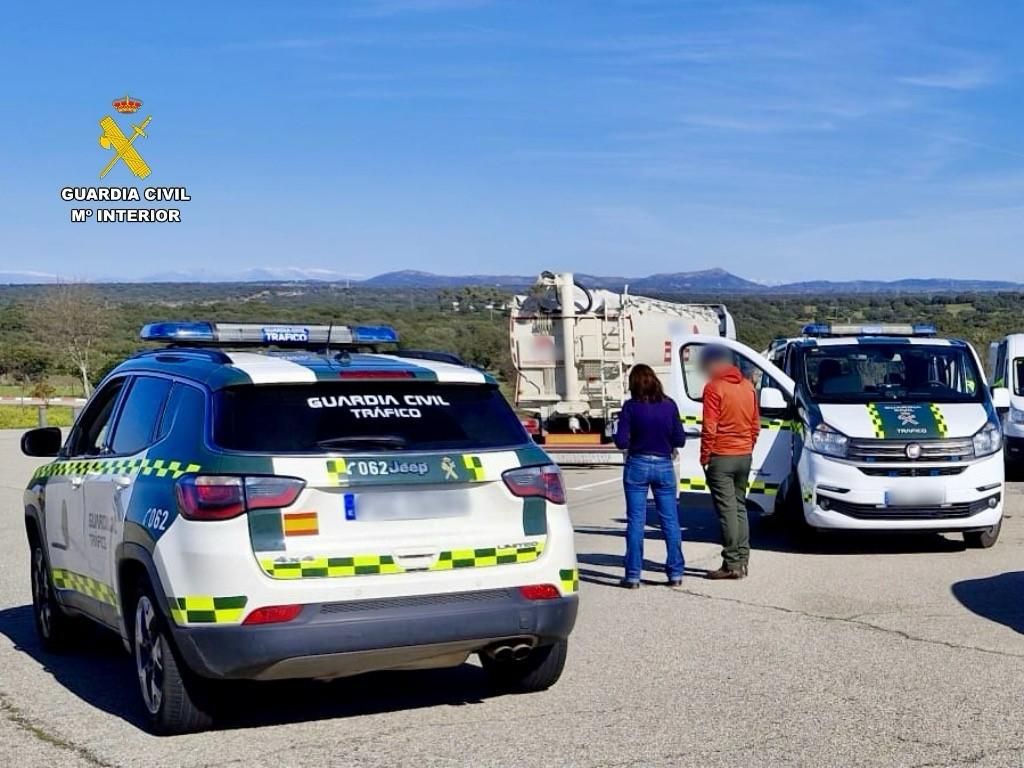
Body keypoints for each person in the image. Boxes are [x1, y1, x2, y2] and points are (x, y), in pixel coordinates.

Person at [613, 364, 686, 589]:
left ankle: (633, 575)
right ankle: (675, 573)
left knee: (636, 521)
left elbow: (621, 442)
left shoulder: (631, 407)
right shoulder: (669, 405)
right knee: (670, 521)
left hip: (637, 464)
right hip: (664, 465)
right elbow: (680, 439)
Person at [699, 345, 760, 580]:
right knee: (740, 506)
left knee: (726, 511)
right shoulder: (748, 387)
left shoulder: (714, 388)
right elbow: (755, 425)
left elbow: (710, 427)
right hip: (744, 454)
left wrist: (705, 456)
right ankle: (743, 560)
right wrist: (748, 445)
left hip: (722, 455)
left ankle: (731, 563)